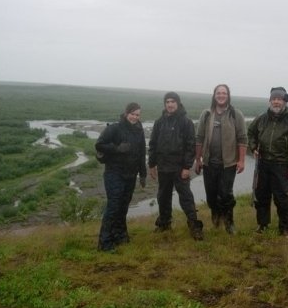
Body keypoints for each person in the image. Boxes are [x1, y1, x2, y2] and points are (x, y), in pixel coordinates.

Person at [247, 86, 288, 237]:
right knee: (262, 196)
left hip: (281, 164)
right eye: (274, 99)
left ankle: (286, 228)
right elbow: (251, 133)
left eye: (279, 99)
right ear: (269, 101)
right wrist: (253, 148)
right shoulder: (261, 118)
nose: (276, 102)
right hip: (263, 163)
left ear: (284, 101)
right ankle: (262, 224)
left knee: (282, 198)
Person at [148, 92, 203, 241]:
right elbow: (152, 144)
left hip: (180, 168)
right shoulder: (159, 122)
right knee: (163, 197)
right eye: (167, 102)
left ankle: (194, 226)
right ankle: (164, 224)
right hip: (163, 167)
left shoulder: (186, 122)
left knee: (186, 197)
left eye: (173, 102)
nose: (170, 104)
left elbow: (191, 146)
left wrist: (187, 167)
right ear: (165, 104)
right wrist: (151, 164)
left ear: (178, 103)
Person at [194, 84, 247, 234]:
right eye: (218, 93)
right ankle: (216, 217)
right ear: (214, 95)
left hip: (228, 164)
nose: (221, 95)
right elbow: (199, 138)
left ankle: (229, 223)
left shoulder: (236, 114)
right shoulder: (206, 114)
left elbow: (242, 138)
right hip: (209, 163)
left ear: (228, 95)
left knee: (225, 194)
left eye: (224, 93)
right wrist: (198, 160)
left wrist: (242, 160)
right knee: (211, 195)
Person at [94, 102, 147, 251]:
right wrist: (117, 149)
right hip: (114, 173)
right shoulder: (114, 128)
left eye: (137, 115)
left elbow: (142, 153)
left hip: (131, 175)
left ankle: (120, 235)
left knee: (123, 207)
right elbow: (99, 145)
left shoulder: (139, 130)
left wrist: (143, 174)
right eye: (132, 114)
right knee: (113, 207)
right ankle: (104, 243)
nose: (135, 117)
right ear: (126, 113)